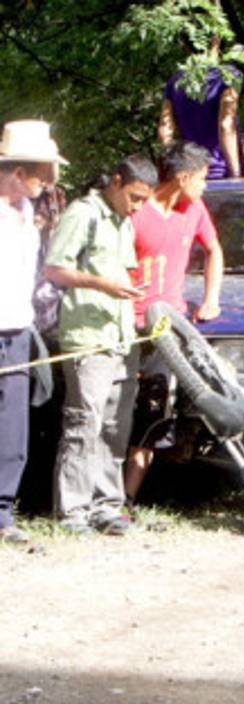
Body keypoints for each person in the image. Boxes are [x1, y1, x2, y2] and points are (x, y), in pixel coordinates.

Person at [45, 155, 158, 535]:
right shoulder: (83, 213)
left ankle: (107, 504)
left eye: (145, 200)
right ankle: (73, 509)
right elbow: (54, 269)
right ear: (115, 182)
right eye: (135, 197)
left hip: (122, 337)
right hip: (88, 338)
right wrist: (103, 285)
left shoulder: (125, 222)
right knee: (84, 422)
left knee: (115, 425)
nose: (139, 207)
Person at [124, 141, 224, 506]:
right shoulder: (137, 210)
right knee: (117, 409)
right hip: (130, 325)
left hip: (167, 329)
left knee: (153, 413)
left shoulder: (194, 208)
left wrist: (212, 298)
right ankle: (99, 497)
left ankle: (128, 499)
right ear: (182, 178)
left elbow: (213, 249)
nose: (205, 186)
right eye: (201, 178)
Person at [0, 120, 65, 544]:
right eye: (43, 172)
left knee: (13, 424)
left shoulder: (28, 214)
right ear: (18, 173)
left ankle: (2, 511)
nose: (50, 181)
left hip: (17, 330)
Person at [159, 36, 242, 180]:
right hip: (221, 171)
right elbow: (226, 125)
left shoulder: (176, 80)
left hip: (190, 172)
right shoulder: (228, 75)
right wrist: (235, 173)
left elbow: (165, 129)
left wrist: (173, 166)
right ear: (216, 41)